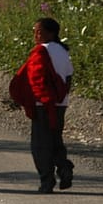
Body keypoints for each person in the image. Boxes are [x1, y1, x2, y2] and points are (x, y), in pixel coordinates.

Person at [12, 17, 74, 193]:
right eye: (35, 30)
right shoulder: (63, 51)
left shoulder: (40, 52)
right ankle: (64, 167)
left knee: (40, 145)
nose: (35, 34)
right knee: (56, 140)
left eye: (39, 31)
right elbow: (68, 77)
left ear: (51, 33)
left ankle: (47, 181)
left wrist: (42, 99)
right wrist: (61, 96)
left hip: (43, 104)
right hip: (60, 104)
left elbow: (35, 80)